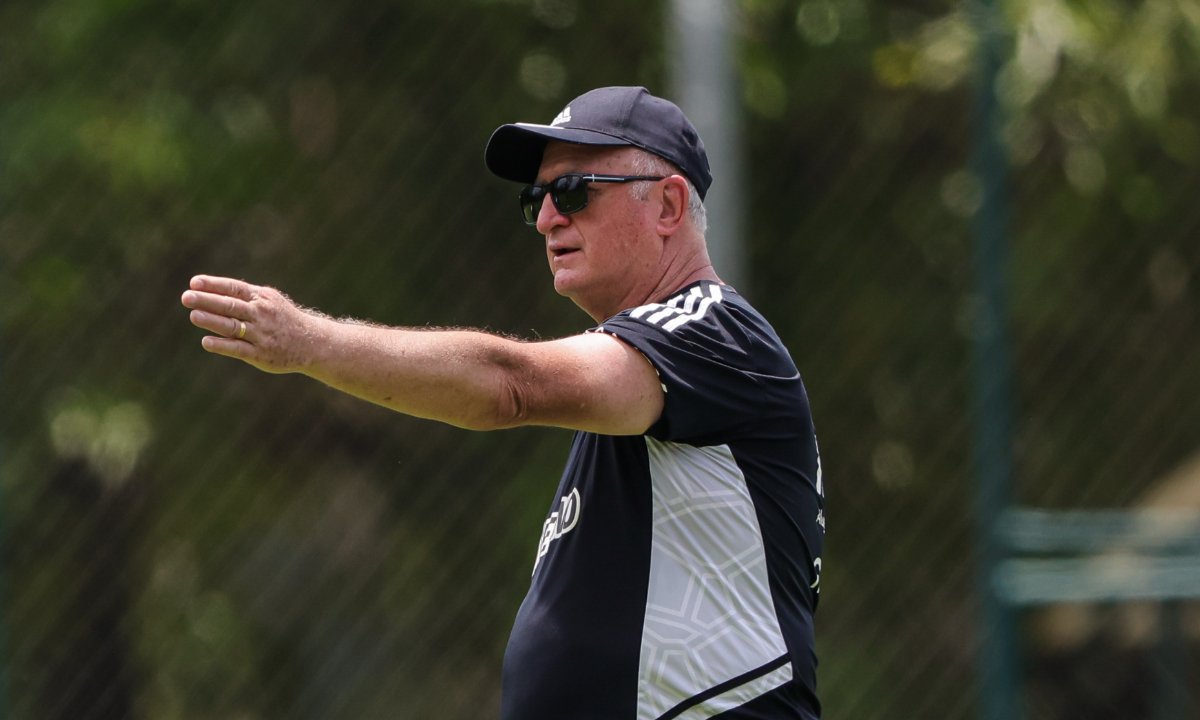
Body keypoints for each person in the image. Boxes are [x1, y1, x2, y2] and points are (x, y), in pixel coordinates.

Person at [181, 85, 824, 720]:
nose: (547, 218)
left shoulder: (713, 331)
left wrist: (304, 340)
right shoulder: (648, 393)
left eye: (574, 192)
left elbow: (510, 386)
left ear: (667, 204)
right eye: (535, 199)